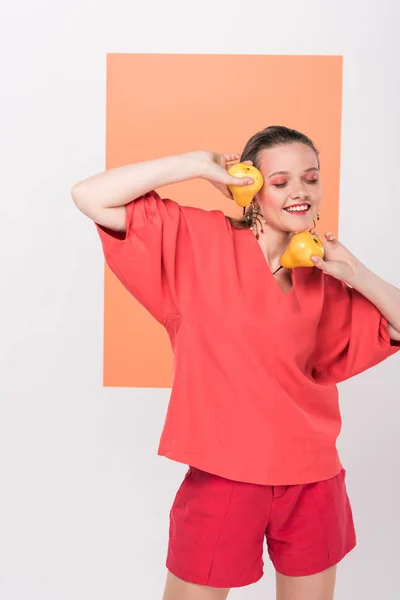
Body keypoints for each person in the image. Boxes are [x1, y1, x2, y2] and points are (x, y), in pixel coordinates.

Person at [72, 126, 400, 600]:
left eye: (310, 178)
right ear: (249, 187)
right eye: (281, 181)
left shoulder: (323, 277)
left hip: (312, 478)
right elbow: (89, 195)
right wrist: (196, 163)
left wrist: (358, 274)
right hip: (222, 475)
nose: (300, 192)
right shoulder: (197, 239)